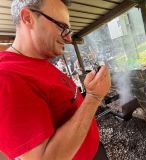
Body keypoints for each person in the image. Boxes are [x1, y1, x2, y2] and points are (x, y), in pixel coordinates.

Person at [0, 0, 111, 160]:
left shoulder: (38, 60)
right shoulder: (6, 77)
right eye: (62, 27)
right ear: (27, 18)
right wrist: (94, 97)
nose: (68, 38)